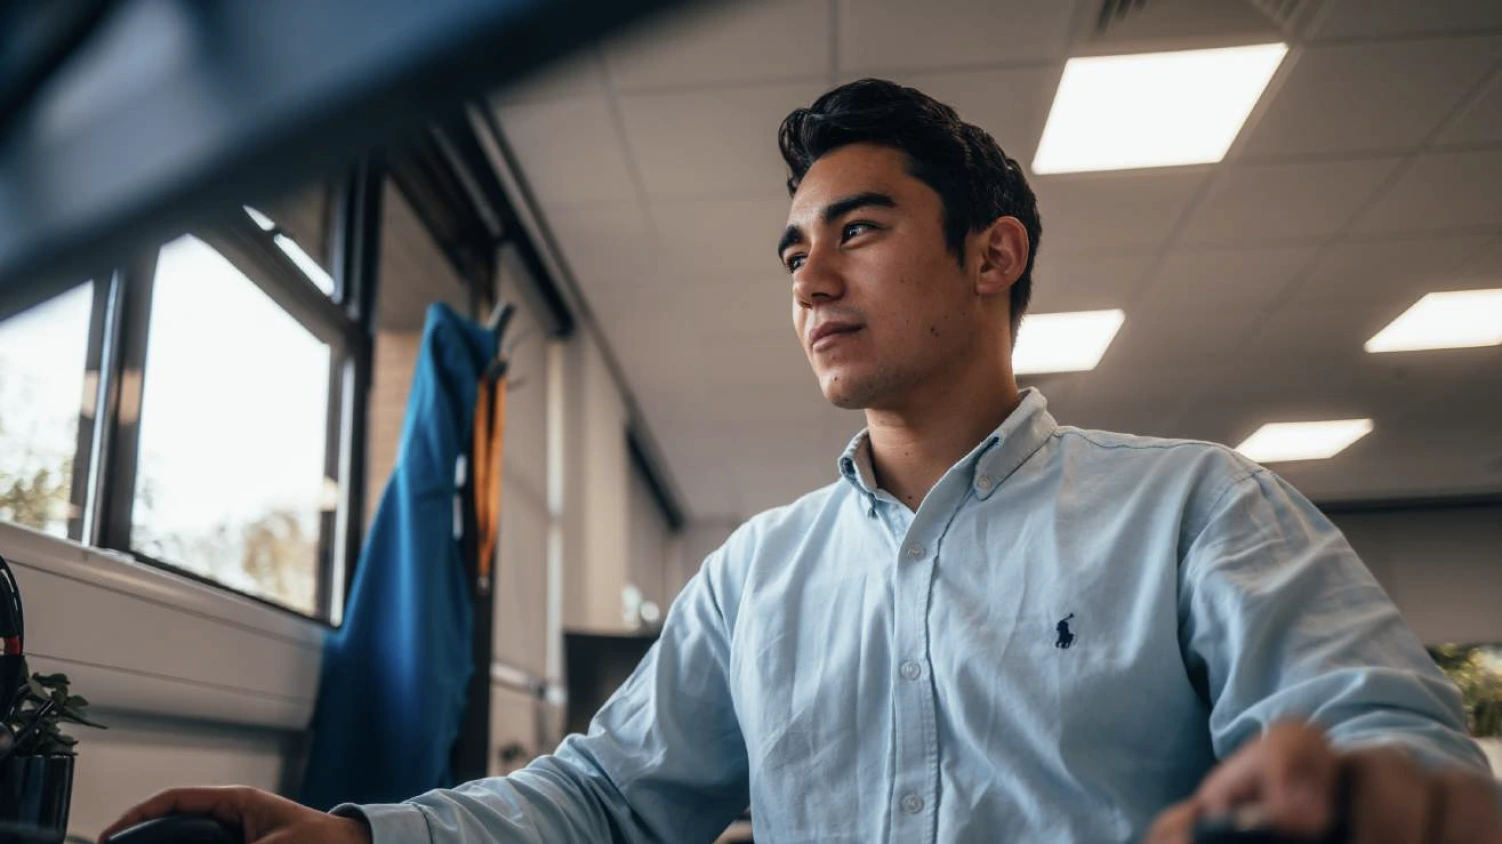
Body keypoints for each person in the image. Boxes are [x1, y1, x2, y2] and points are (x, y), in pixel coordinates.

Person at [102, 79, 1502, 844]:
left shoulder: (1199, 511)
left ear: (991, 252)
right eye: (792, 249)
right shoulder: (754, 578)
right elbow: (599, 799)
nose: (809, 278)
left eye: (860, 230)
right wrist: (359, 842)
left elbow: (1382, 739)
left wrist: (1363, 793)